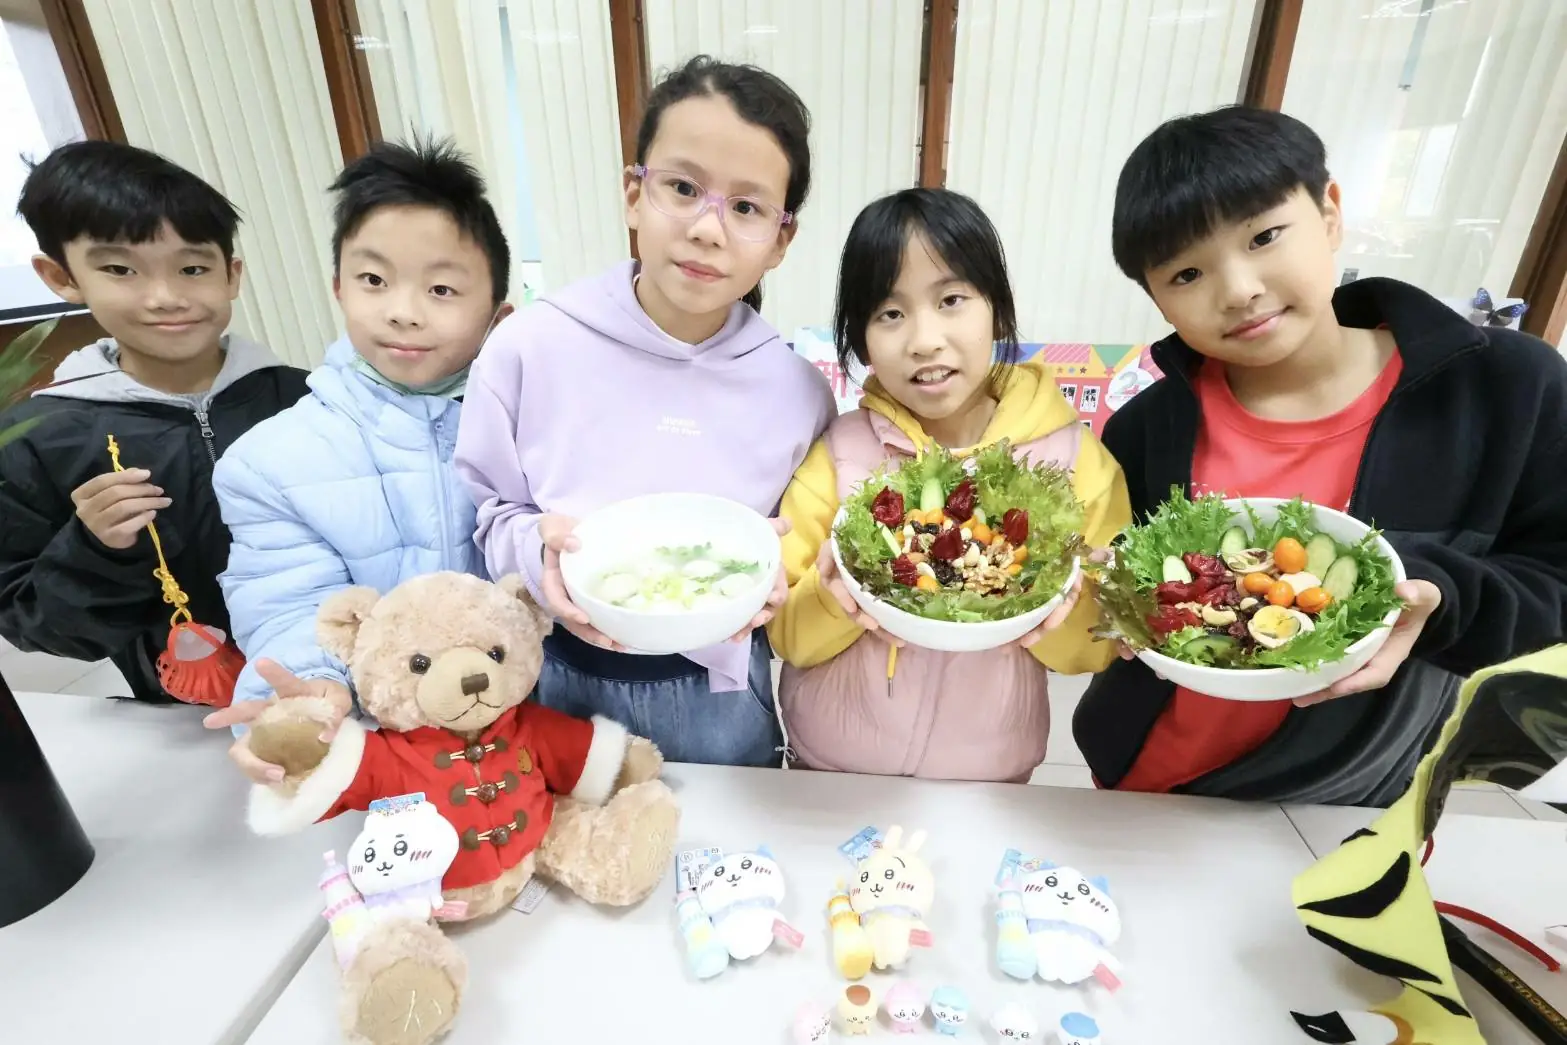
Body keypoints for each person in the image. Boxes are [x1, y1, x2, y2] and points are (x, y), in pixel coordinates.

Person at [1075, 105, 1567, 805]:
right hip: (1146, 774)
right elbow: (1129, 597)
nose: (1238, 289)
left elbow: (1555, 585)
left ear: (1329, 211)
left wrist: (1444, 597)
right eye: (1185, 274)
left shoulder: (1506, 391)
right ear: (1154, 296)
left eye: (1265, 236)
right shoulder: (1144, 429)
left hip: (1352, 793)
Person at [455, 55, 834, 767]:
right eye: (682, 188)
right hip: (555, 677)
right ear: (634, 194)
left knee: (726, 862)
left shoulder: (797, 392)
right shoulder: (529, 347)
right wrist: (537, 550)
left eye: (747, 208)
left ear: (781, 240)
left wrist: (780, 572)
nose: (707, 229)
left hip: (719, 692)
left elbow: (797, 543)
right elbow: (490, 510)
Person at [767, 188, 1130, 781]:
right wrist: (831, 601)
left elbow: (1096, 646)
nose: (924, 339)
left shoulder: (1073, 459)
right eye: (890, 313)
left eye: (952, 299)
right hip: (830, 770)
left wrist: (1055, 619)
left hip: (992, 776)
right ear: (860, 339)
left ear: (997, 309)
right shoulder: (840, 453)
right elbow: (788, 638)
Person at [205, 138, 511, 780]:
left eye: (443, 288)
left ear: (497, 314)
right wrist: (310, 686)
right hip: (385, 750)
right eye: (374, 280)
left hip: (529, 728)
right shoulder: (271, 463)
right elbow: (290, 606)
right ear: (339, 286)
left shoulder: (537, 429)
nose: (402, 312)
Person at [0, 140, 307, 703]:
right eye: (120, 269)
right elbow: (33, 624)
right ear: (61, 276)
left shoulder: (304, 397)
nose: (165, 297)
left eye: (193, 268)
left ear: (231, 274)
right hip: (179, 710)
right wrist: (93, 549)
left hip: (341, 691)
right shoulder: (40, 437)